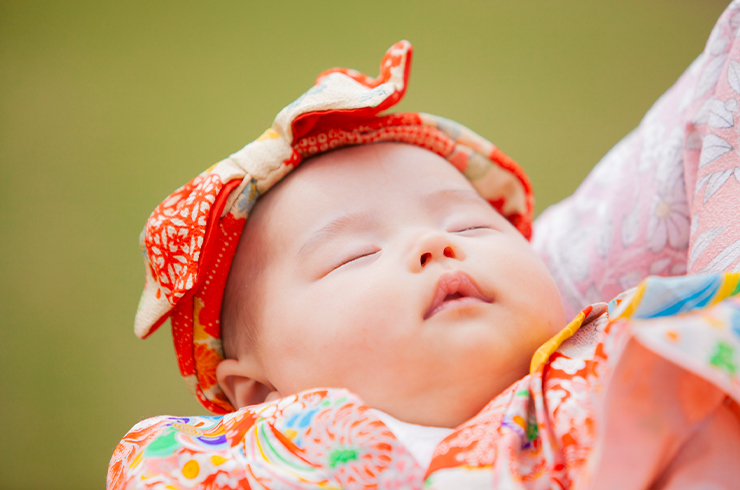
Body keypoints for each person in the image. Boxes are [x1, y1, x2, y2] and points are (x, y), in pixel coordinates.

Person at [108, 41, 740, 489]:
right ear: (260, 395)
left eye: (470, 225)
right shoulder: (248, 465)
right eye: (354, 254)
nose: (435, 247)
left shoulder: (630, 356)